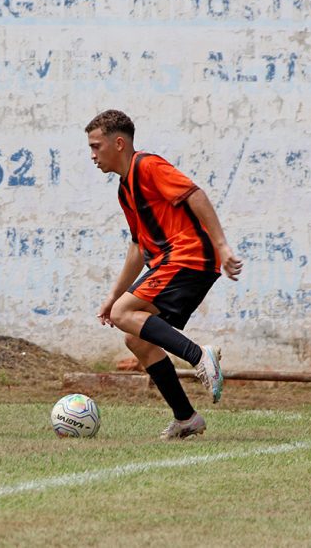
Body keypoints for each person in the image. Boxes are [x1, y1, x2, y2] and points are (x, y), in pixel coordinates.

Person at [85, 109, 243, 440]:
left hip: (189, 257)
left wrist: (223, 246)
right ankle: (187, 419)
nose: (93, 155)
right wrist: (113, 296)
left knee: (125, 314)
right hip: (171, 262)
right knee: (135, 338)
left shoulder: (147, 165)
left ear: (118, 143)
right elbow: (137, 248)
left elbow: (196, 195)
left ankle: (199, 356)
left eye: (96, 146)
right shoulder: (124, 189)